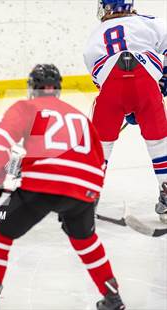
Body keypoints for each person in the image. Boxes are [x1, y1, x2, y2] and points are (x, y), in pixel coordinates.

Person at [0, 65, 125, 310]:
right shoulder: (81, 118)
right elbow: (99, 162)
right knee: (86, 241)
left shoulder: (25, 108)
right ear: (59, 90)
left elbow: (1, 141)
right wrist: (90, 198)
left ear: (33, 88)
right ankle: (114, 298)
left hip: (42, 183)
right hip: (84, 187)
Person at [83, 0, 167, 223]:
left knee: (101, 145)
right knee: (159, 142)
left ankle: (88, 198)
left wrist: (124, 104)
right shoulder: (148, 23)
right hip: (146, 86)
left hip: (112, 88)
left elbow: (100, 76)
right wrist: (164, 77)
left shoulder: (96, 35)